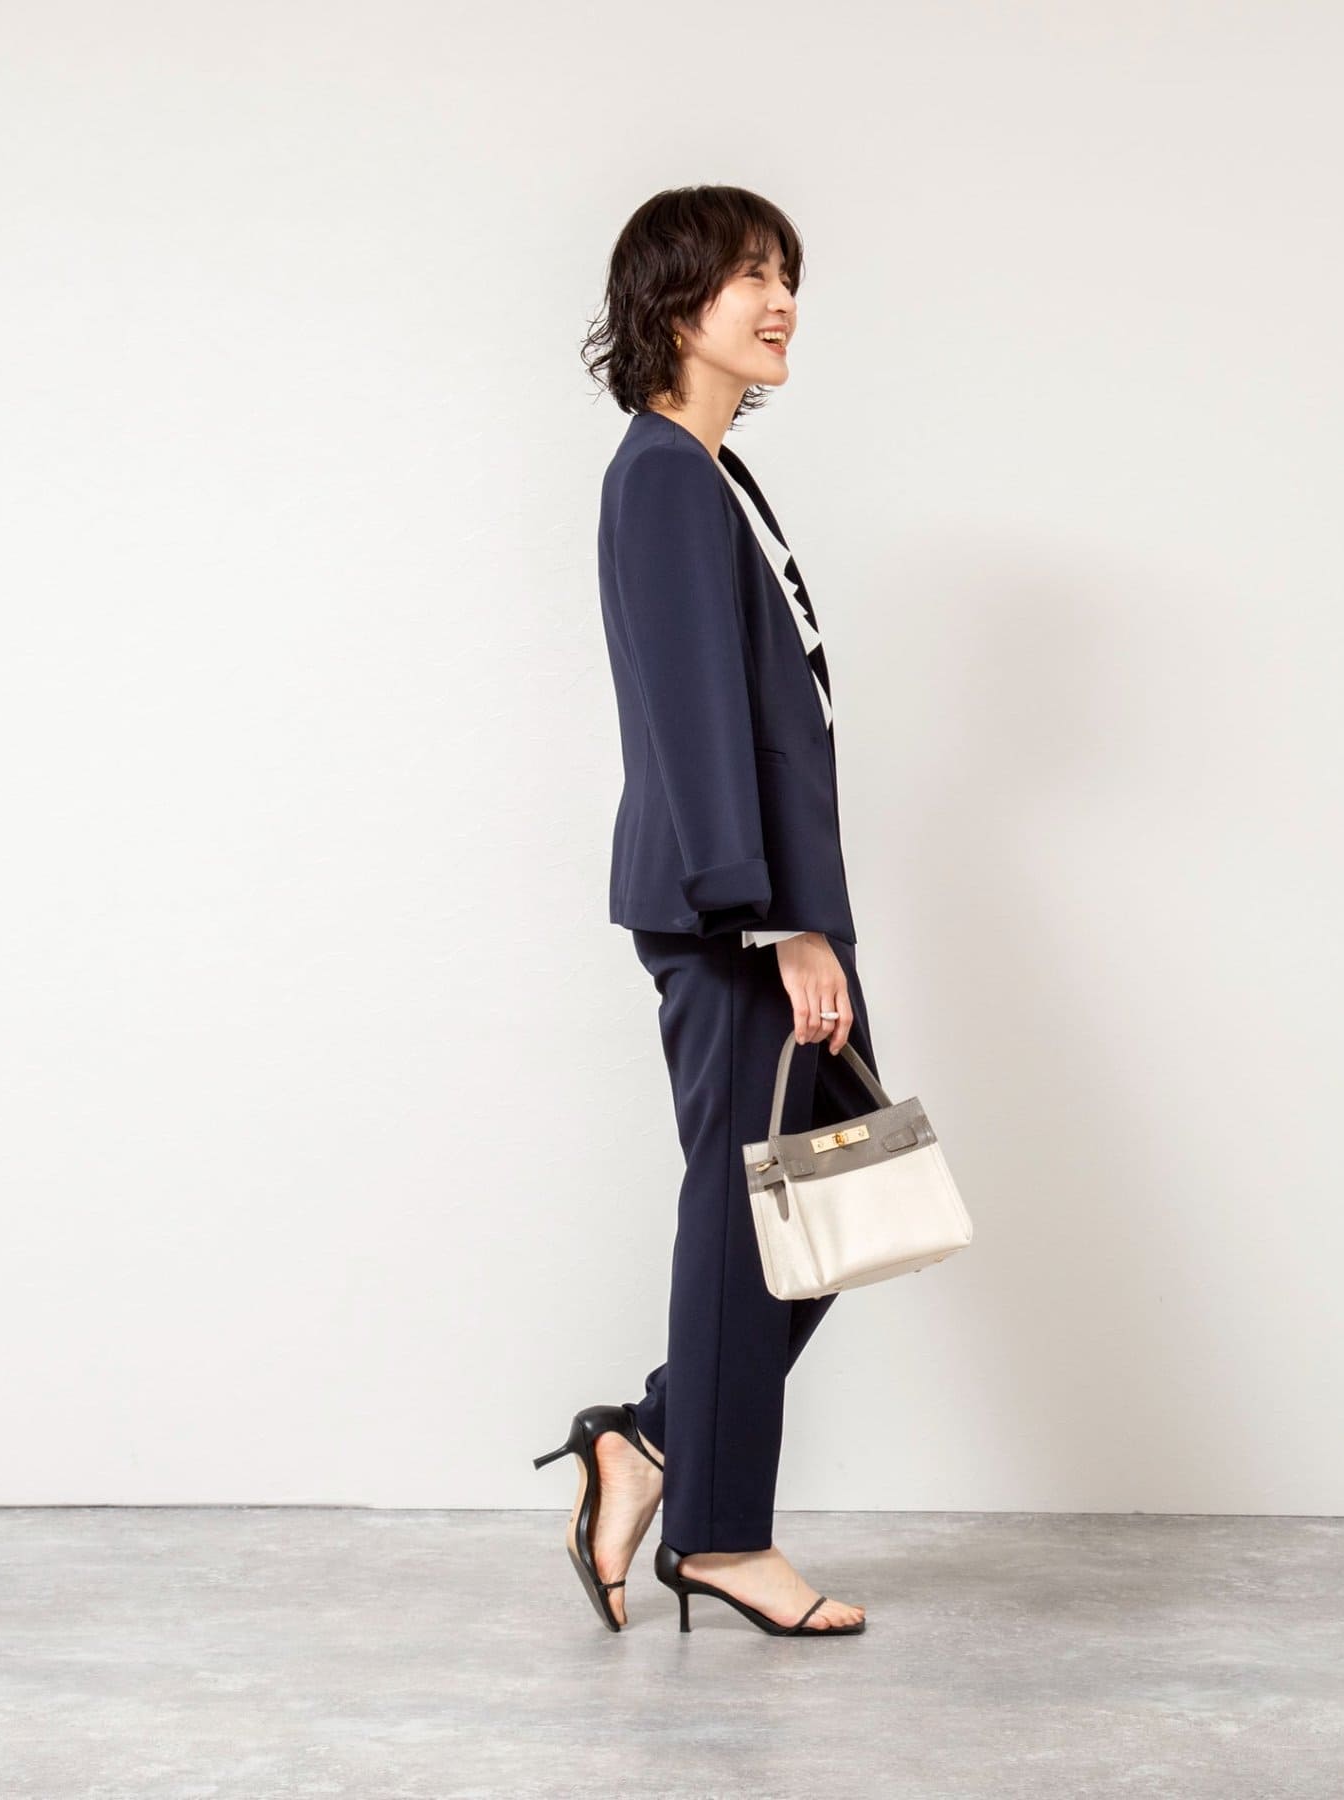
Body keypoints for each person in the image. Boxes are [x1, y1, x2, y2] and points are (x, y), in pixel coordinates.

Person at [533, 186, 878, 1638]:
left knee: (835, 1199)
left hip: (774, 906)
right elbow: (696, 723)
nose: (781, 299)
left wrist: (810, 916)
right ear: (677, 304)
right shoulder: (666, 476)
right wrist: (774, 921)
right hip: (731, 909)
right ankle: (723, 1538)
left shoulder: (712, 472)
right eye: (751, 274)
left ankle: (652, 1440)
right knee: (753, 1212)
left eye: (787, 272)